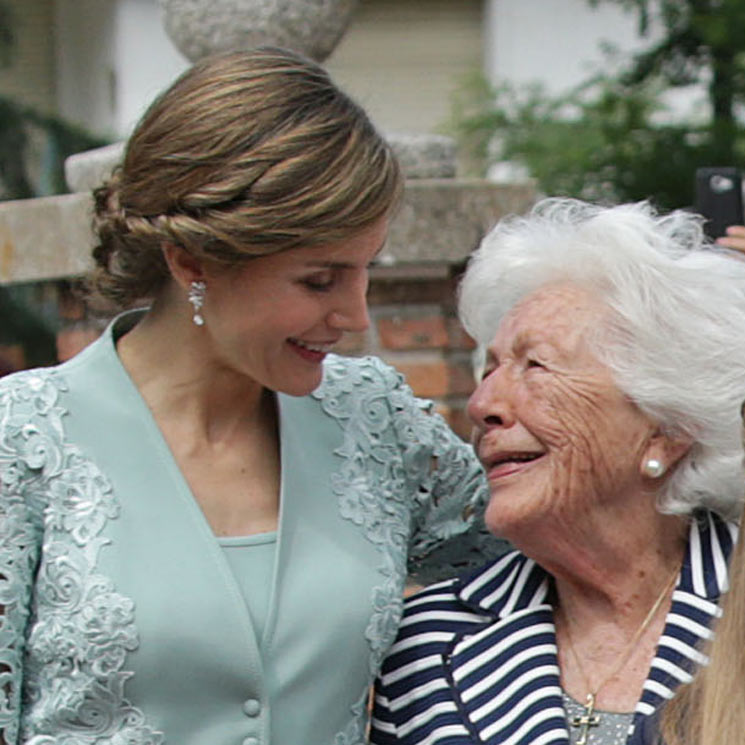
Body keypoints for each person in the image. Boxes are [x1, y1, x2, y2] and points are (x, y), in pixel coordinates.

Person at [0, 47, 501, 745]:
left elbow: (544, 565)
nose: (356, 316)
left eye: (365, 272)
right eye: (319, 281)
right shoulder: (18, 439)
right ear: (191, 261)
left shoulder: (376, 421)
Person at [370, 198, 745, 745]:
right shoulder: (424, 646)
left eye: (535, 366)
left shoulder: (736, 605)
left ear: (668, 427)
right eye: (490, 369)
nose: (481, 405)